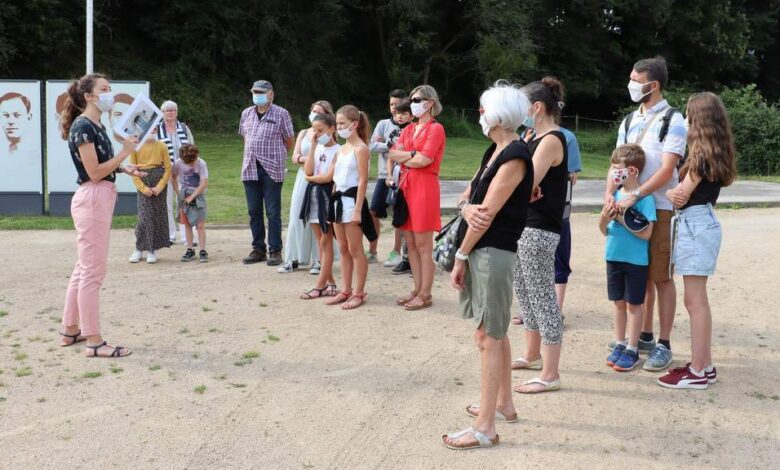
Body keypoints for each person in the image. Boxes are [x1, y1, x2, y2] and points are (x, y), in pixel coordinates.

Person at [442, 81, 533, 450]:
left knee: (487, 336)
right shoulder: (494, 151)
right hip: (485, 250)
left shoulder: (513, 155)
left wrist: (460, 255)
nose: (479, 115)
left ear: (495, 115)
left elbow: (485, 215)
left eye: (482, 110)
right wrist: (464, 208)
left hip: (492, 251)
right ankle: (502, 405)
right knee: (494, 331)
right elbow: (469, 203)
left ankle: (485, 427)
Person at [607, 57, 688, 371]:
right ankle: (642, 335)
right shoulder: (628, 121)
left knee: (661, 277)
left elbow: (668, 169)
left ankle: (664, 344)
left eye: (635, 79)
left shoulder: (674, 120)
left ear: (652, 85)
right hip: (626, 209)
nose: (630, 84)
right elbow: (616, 165)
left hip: (660, 210)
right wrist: (610, 196)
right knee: (636, 276)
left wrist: (635, 195)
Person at [58, 73, 143, 358]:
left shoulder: (94, 125)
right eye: (104, 89)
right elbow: (94, 173)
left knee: (84, 268)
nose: (110, 93)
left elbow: (101, 167)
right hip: (93, 198)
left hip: (96, 197)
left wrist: (124, 167)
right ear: (89, 96)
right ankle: (94, 341)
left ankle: (71, 329)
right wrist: (125, 153)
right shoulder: (84, 126)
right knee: (93, 272)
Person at [658, 92, 737, 389]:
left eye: (690, 117)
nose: (686, 122)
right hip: (702, 223)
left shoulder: (700, 156)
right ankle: (703, 364)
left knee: (695, 302)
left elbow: (680, 196)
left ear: (700, 121)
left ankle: (698, 370)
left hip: (695, 224)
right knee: (698, 300)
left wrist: (669, 192)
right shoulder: (713, 153)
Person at [509, 77, 568, 393]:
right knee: (525, 292)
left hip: (539, 228)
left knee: (543, 296)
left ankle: (550, 373)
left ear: (536, 107)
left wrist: (522, 189)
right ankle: (532, 355)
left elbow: (524, 180)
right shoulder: (532, 136)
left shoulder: (551, 140)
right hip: (524, 225)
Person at [513, 124, 582, 325]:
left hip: (555, 210)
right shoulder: (527, 133)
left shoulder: (565, 136)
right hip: (528, 213)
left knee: (559, 260)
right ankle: (531, 312)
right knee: (525, 267)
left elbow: (572, 175)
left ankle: (556, 310)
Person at [388, 85, 446, 310]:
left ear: (430, 103)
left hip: (424, 187)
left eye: (417, 99)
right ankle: (417, 288)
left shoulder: (436, 129)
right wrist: (412, 155)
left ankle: (426, 293)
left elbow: (425, 160)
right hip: (406, 186)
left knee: (423, 245)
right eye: (411, 99)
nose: (412, 103)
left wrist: (408, 157)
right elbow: (394, 153)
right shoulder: (409, 129)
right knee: (409, 242)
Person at [601, 144, 656, 372]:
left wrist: (622, 218)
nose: (614, 172)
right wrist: (605, 217)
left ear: (631, 171)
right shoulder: (614, 194)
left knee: (634, 304)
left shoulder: (644, 198)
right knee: (618, 303)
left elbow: (647, 233)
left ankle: (633, 348)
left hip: (635, 261)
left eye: (617, 168)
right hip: (613, 256)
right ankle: (620, 343)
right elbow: (604, 229)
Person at [324, 105, 376, 310]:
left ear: (354, 125)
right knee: (343, 248)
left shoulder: (361, 149)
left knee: (355, 249)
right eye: (337, 124)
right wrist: (331, 206)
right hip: (338, 202)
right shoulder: (342, 149)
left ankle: (359, 292)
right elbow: (336, 180)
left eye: (342, 123)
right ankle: (345, 289)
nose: (339, 127)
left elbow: (363, 181)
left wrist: (357, 209)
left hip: (352, 202)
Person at [239, 80, 295, 266]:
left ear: (271, 94)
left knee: (272, 211)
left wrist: (278, 158)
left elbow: (289, 141)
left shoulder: (281, 114)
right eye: (255, 91)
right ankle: (258, 249)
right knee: (253, 211)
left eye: (261, 92)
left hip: (272, 168)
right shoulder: (246, 113)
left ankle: (275, 250)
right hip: (250, 168)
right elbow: (246, 138)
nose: (258, 95)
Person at [278, 101, 334, 274]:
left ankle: (318, 259)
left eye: (318, 111)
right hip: (304, 177)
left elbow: (330, 154)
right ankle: (292, 258)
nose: (313, 114)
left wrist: (308, 159)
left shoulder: (329, 133)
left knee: (318, 218)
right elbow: (295, 157)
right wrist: (305, 159)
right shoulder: (304, 133)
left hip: (321, 177)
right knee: (296, 216)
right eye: (312, 110)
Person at [299, 113, 341, 298]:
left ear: (331, 129)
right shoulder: (316, 148)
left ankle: (319, 285)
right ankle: (330, 282)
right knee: (321, 243)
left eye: (320, 131)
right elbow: (308, 169)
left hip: (328, 196)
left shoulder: (339, 150)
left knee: (326, 241)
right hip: (313, 196)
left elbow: (327, 177)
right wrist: (314, 145)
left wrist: (309, 178)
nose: (316, 134)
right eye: (314, 131)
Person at [368, 89, 408, 265]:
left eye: (398, 105)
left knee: (399, 215)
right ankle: (372, 250)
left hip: (405, 176)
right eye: (392, 104)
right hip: (384, 175)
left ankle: (396, 251)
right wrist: (389, 145)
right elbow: (373, 145)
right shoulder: (383, 125)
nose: (394, 108)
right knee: (373, 210)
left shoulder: (410, 127)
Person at [128, 132, 172, 264]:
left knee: (156, 217)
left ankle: (152, 250)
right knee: (144, 218)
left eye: (154, 129)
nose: (152, 132)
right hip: (144, 183)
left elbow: (168, 169)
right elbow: (133, 171)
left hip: (158, 185)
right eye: (149, 129)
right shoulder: (135, 147)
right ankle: (139, 248)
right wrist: (143, 188)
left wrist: (159, 187)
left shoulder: (162, 146)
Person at [157, 100, 195, 244]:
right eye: (167, 110)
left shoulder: (184, 128)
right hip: (164, 173)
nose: (170, 112)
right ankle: (170, 236)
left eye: (173, 110)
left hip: (183, 172)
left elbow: (192, 147)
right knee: (166, 205)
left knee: (185, 202)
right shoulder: (157, 129)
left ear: (177, 112)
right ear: (162, 113)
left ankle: (187, 237)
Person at [173, 143, 209, 263]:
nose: (190, 163)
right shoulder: (178, 163)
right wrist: (178, 192)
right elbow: (173, 177)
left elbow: (204, 183)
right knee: (187, 224)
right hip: (185, 194)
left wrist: (193, 196)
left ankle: (203, 250)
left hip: (198, 196)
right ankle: (190, 249)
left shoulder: (201, 163)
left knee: (200, 225)